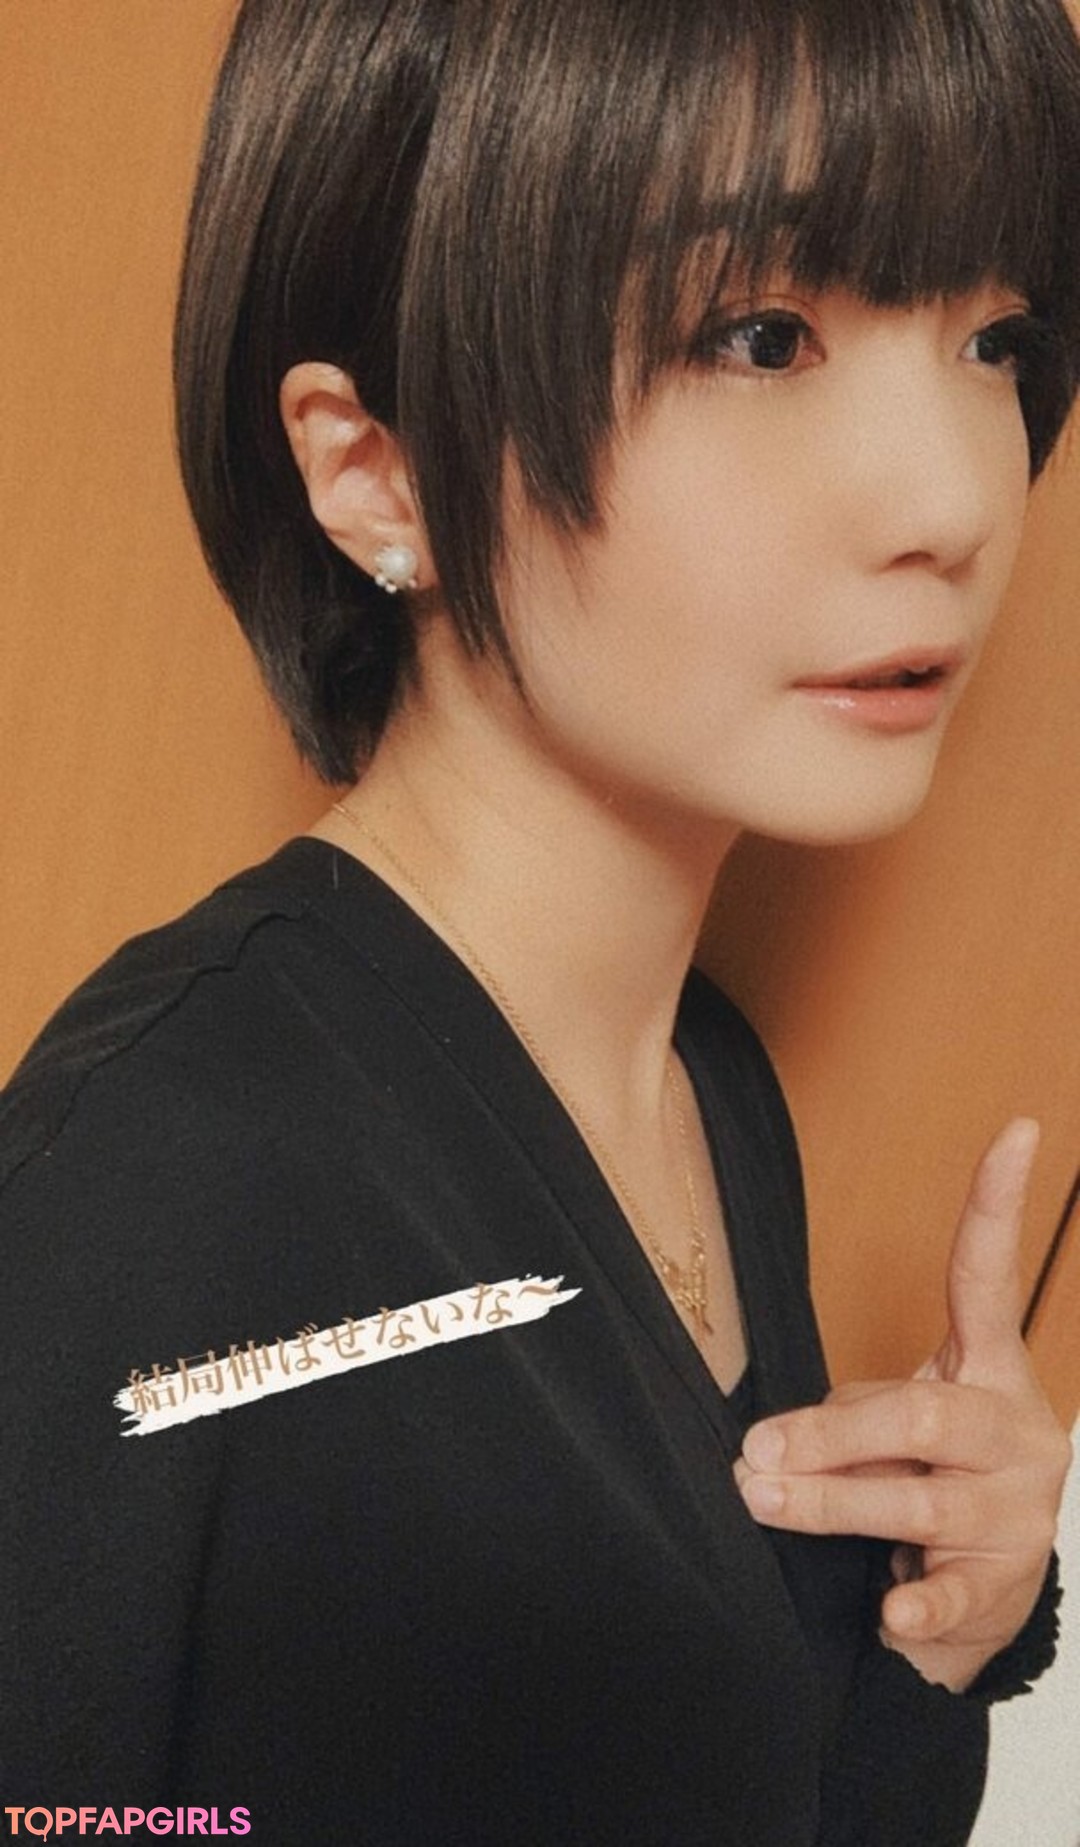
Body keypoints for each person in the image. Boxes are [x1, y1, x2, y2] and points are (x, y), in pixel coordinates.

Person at [2, 0, 1079, 1840]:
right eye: (763, 336)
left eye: (997, 339)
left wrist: (947, 1624)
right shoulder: (163, 1179)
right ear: (379, 471)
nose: (953, 501)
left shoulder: (706, 1085)